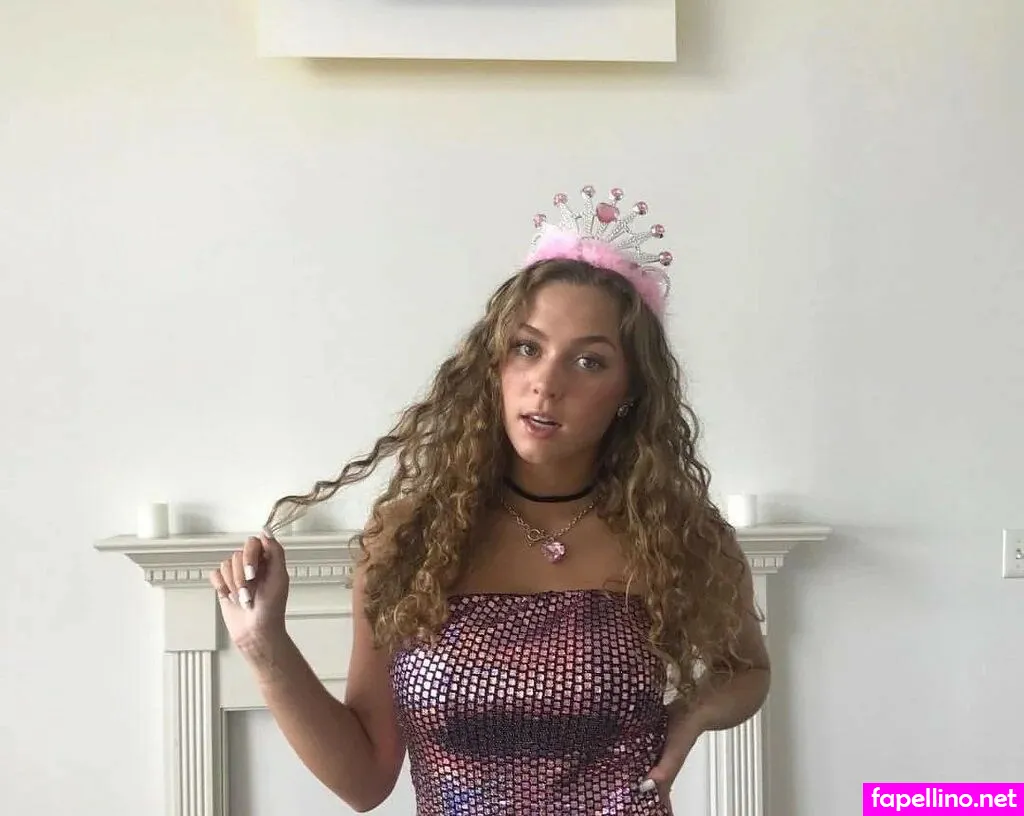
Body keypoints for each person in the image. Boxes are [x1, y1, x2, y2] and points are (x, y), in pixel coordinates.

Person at [209, 185, 770, 815]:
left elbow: (748, 670)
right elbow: (364, 782)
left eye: (589, 362)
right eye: (527, 348)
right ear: (493, 364)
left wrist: (693, 713)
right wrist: (262, 644)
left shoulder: (674, 532)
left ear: (630, 392)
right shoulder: (410, 538)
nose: (546, 382)